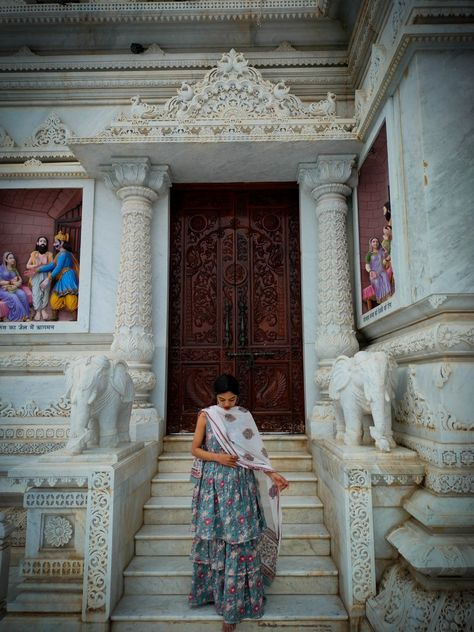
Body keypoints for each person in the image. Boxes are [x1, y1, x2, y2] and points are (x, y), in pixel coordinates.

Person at [189, 374, 289, 632]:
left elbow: (255, 454)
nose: (225, 405)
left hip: (241, 487)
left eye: (231, 399)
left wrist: (273, 473)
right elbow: (195, 449)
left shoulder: (243, 416)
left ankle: (235, 605)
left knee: (239, 541)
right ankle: (215, 594)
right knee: (218, 538)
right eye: (222, 399)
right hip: (214, 486)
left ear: (238, 397)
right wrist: (218, 458)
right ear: (215, 397)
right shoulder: (206, 415)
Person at [37, 230, 79, 317]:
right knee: (55, 297)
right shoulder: (59, 254)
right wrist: (38, 270)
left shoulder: (64, 254)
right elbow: (52, 265)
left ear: (62, 242)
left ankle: (74, 317)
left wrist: (47, 279)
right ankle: (54, 316)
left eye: (56, 242)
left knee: (70, 296)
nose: (54, 244)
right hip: (61, 276)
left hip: (68, 276)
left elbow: (58, 267)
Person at [25, 236, 54, 321]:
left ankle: (43, 310)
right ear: (37, 243)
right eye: (41, 241)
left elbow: (52, 266)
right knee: (36, 292)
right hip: (36, 275)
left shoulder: (49, 254)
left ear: (46, 244)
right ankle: (38, 311)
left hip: (46, 275)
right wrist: (35, 266)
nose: (42, 243)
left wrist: (45, 268)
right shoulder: (34, 254)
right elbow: (27, 265)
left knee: (45, 292)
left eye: (44, 241)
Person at [0, 251, 30, 321]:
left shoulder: (14, 269)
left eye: (13, 258)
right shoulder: (1, 269)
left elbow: (20, 280)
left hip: (14, 288)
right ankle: (22, 316)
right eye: (10, 258)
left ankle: (27, 314)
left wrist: (16, 285)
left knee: (22, 294)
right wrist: (11, 282)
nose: (13, 259)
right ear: (6, 260)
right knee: (14, 297)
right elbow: (0, 282)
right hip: (3, 289)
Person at [365, 237, 392, 304]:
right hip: (374, 274)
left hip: (382, 271)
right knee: (377, 283)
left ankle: (388, 297)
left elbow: (386, 259)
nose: (375, 243)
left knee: (385, 280)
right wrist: (370, 271)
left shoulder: (382, 252)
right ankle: (381, 301)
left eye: (377, 241)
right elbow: (367, 265)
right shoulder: (369, 254)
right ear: (371, 243)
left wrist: (387, 258)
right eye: (373, 241)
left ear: (379, 243)